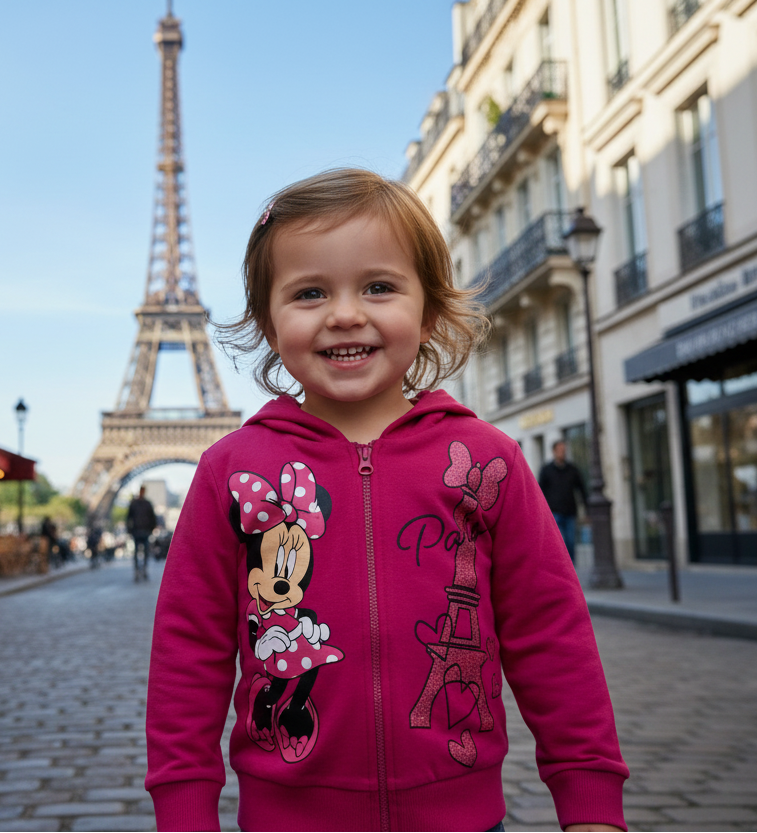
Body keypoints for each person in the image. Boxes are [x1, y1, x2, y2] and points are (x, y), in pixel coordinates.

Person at [145, 169, 628, 833]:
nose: (346, 312)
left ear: (428, 310)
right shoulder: (229, 469)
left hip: (461, 814)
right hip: (286, 817)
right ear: (267, 319)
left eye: (378, 286)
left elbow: (550, 634)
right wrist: (183, 810)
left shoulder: (485, 461)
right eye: (310, 292)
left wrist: (590, 800)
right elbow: (187, 650)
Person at [538, 440, 588, 563]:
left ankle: (571, 568)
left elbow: (581, 489)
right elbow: (540, 492)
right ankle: (562, 567)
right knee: (560, 543)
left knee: (571, 542)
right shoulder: (546, 470)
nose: (562, 453)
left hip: (570, 511)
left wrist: (587, 509)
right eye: (560, 450)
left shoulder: (572, 470)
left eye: (564, 450)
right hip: (554, 512)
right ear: (554, 452)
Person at [127, 486, 156, 582]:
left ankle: (141, 569)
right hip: (140, 531)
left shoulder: (135, 503)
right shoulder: (146, 504)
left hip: (140, 531)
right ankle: (140, 569)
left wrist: (130, 530)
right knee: (141, 552)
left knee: (142, 552)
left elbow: (128, 518)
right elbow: (153, 518)